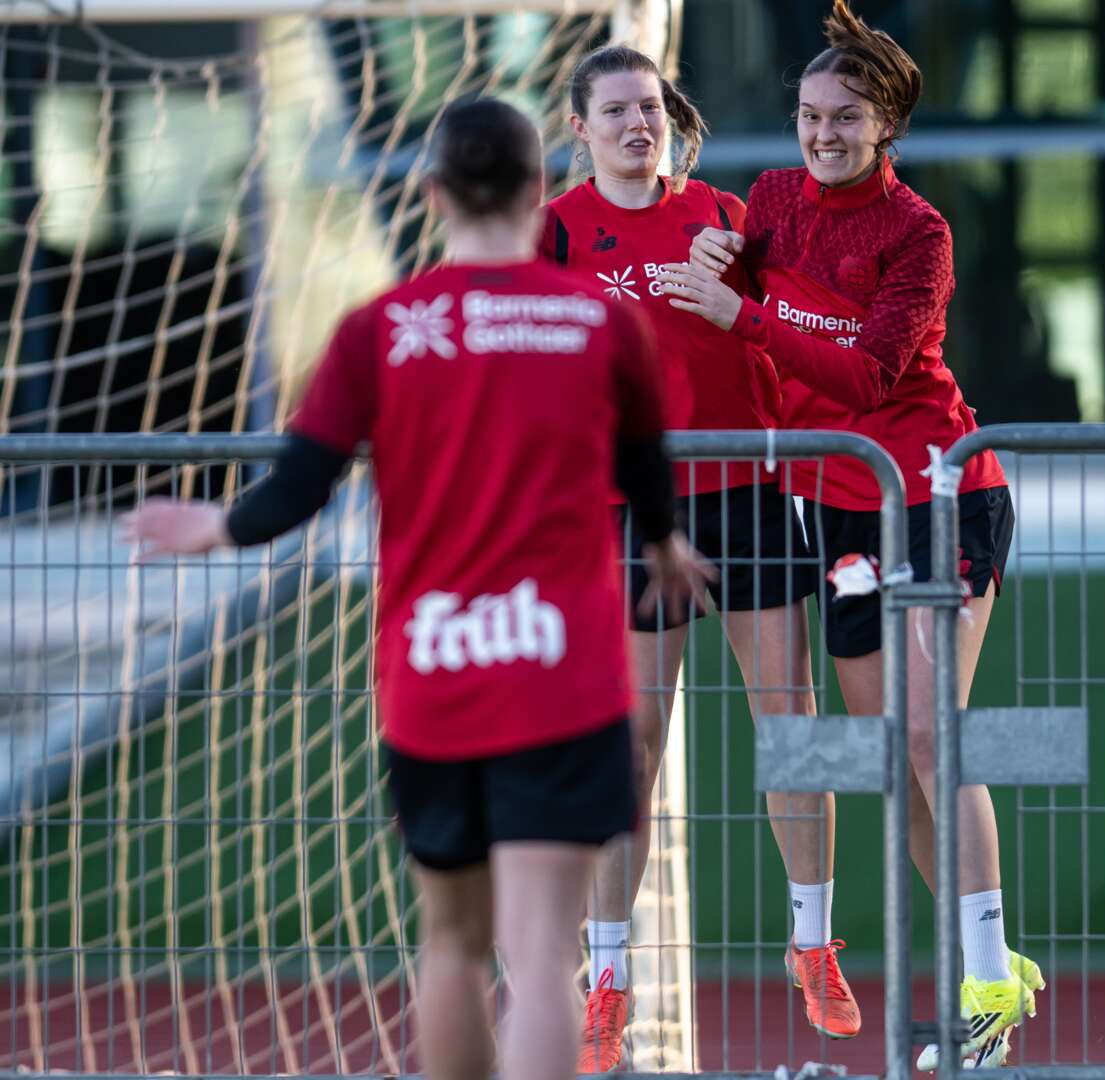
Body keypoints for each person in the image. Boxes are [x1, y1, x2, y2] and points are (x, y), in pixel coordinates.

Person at [120, 98, 712, 1080]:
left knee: (451, 945)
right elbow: (648, 468)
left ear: (433, 194)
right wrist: (662, 544)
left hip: (436, 679)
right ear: (538, 193)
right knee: (543, 956)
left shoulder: (379, 331)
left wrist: (211, 528)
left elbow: (299, 488)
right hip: (562, 675)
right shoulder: (601, 321)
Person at [661, 1, 1041, 1068]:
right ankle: (981, 969)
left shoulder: (920, 232)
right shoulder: (775, 198)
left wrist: (744, 314)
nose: (823, 134)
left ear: (888, 130)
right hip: (837, 508)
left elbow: (871, 372)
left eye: (846, 119)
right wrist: (717, 262)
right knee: (887, 756)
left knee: (933, 734)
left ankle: (984, 978)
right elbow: (736, 286)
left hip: (935, 493)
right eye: (809, 115)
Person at [539, 45, 842, 1065]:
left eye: (652, 107)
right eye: (617, 109)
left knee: (795, 727)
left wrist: (751, 286)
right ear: (579, 128)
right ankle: (610, 972)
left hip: (750, 494)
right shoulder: (558, 231)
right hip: (632, 512)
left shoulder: (726, 216)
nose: (640, 122)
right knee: (630, 746)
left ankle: (812, 942)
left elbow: (802, 322)